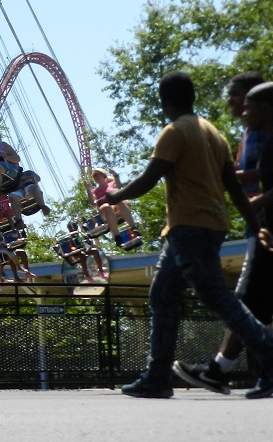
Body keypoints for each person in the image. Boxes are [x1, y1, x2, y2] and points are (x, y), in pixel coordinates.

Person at [103, 71, 273, 399]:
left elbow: (150, 179)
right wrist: (255, 226)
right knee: (163, 292)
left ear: (164, 101)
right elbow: (233, 186)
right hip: (208, 225)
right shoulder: (212, 132)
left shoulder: (174, 131)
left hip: (190, 226)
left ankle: (269, 356)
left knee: (215, 296)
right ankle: (158, 376)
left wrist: (115, 196)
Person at [175, 79, 273, 394]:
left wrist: (251, 202)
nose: (241, 111)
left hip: (264, 229)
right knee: (253, 299)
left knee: (247, 299)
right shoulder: (259, 136)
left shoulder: (268, 139)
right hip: (261, 226)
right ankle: (221, 369)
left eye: (247, 105)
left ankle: (225, 369)